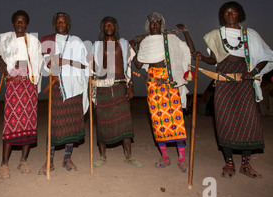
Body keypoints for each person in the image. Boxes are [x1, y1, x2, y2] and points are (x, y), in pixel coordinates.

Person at [196, 1, 273, 179]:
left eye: (233, 11)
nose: (230, 14)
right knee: (225, 120)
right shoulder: (216, 35)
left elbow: (265, 57)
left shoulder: (250, 34)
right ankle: (229, 163)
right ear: (222, 15)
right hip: (223, 81)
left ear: (240, 13)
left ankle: (246, 164)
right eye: (226, 12)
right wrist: (202, 57)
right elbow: (214, 60)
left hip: (244, 80)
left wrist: (253, 72)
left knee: (248, 120)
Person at [132, 12, 195, 172]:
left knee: (176, 121)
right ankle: (165, 156)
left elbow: (190, 50)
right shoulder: (146, 42)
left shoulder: (171, 39)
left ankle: (181, 158)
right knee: (158, 121)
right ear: (148, 25)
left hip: (170, 81)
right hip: (153, 84)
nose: (154, 24)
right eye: (152, 22)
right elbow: (138, 65)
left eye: (157, 22)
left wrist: (186, 31)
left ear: (161, 24)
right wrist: (133, 46)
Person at [0, 10, 42, 179]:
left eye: (23, 22)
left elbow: (39, 60)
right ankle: (4, 165)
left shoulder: (33, 40)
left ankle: (23, 161)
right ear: (13, 23)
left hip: (29, 84)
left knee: (28, 121)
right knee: (11, 122)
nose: (20, 24)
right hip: (13, 84)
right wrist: (3, 66)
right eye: (17, 21)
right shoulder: (5, 39)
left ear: (27, 24)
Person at [39, 12, 89, 174]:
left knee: (71, 125)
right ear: (55, 24)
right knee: (54, 125)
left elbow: (83, 65)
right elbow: (46, 66)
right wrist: (53, 62)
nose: (61, 23)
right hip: (56, 87)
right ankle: (49, 160)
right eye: (58, 21)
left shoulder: (76, 41)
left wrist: (65, 61)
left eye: (64, 21)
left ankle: (67, 158)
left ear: (68, 24)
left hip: (73, 87)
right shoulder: (48, 41)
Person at [92, 16, 142, 168]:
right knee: (102, 122)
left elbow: (129, 65)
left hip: (120, 85)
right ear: (102, 28)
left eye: (111, 24)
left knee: (125, 124)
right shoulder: (96, 46)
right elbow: (93, 68)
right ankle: (102, 156)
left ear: (115, 27)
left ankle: (129, 156)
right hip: (102, 86)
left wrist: (131, 85)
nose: (108, 27)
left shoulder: (123, 44)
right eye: (106, 25)